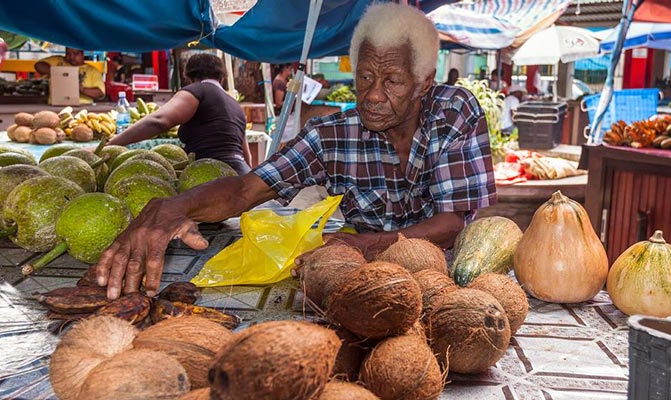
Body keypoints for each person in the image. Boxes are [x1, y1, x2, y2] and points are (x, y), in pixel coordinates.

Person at [95, 3, 496, 300]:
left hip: (445, 280)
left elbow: (451, 223)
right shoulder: (330, 135)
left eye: (392, 80)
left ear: (424, 82)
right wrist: (176, 207)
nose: (373, 95)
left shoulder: (453, 111)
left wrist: (367, 243)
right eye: (366, 77)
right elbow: (245, 191)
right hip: (361, 282)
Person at [106, 53, 252, 175]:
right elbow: (247, 156)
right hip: (240, 174)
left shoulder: (197, 91)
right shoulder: (235, 105)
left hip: (211, 175)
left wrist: (111, 144)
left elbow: (158, 121)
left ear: (188, 76)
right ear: (222, 78)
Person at [34, 47, 105, 104]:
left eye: (75, 53)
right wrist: (60, 73)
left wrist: (81, 89)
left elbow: (100, 94)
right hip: (56, 106)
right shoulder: (58, 61)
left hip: (83, 108)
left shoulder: (92, 71)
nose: (71, 57)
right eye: (68, 53)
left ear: (82, 53)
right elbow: (38, 66)